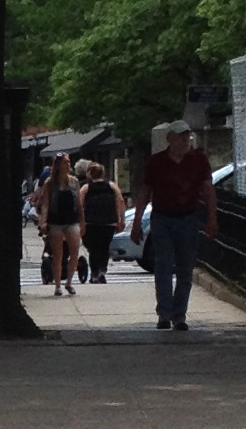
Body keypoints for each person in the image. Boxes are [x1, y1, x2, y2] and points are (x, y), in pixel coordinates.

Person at [134, 121, 216, 329]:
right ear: (170, 139)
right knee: (162, 265)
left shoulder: (198, 161)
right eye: (180, 137)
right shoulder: (156, 162)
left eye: (186, 137)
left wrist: (211, 218)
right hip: (162, 218)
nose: (184, 141)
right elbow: (145, 191)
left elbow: (207, 189)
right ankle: (164, 313)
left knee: (185, 268)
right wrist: (137, 221)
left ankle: (179, 315)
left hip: (188, 217)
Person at [31, 154, 82, 295]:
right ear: (58, 165)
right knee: (58, 254)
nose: (68, 165)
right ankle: (58, 285)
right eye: (65, 162)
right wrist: (44, 222)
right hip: (56, 221)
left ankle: (69, 282)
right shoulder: (50, 182)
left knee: (75, 251)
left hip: (71, 220)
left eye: (69, 162)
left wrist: (82, 221)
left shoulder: (74, 182)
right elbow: (46, 203)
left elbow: (79, 203)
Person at [80, 160, 123, 283]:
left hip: (91, 222)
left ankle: (94, 274)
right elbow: (119, 201)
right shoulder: (112, 186)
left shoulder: (86, 188)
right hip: (109, 221)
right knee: (104, 247)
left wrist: (80, 222)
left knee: (93, 248)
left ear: (89, 174)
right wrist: (120, 219)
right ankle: (102, 271)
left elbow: (79, 205)